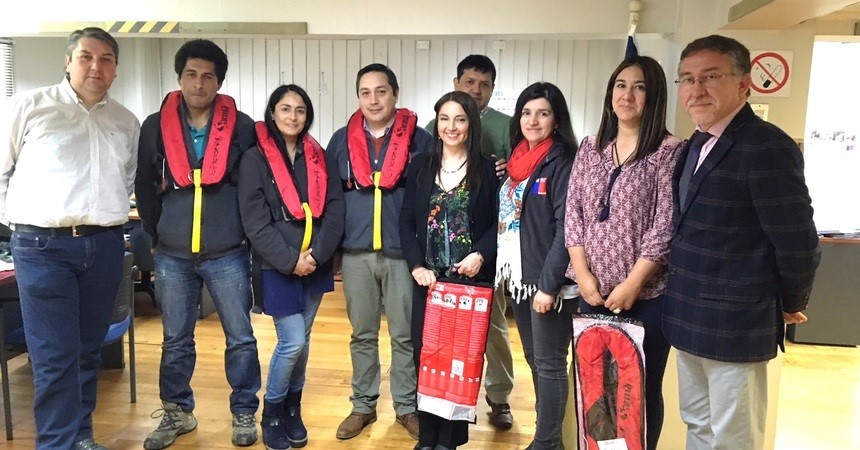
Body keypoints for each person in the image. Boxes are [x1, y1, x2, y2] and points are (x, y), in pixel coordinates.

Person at [664, 35, 820, 450]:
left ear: (743, 84)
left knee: (734, 436)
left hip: (737, 321)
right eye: (687, 79)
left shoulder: (767, 146)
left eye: (711, 77)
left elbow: (797, 241)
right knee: (696, 422)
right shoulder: (693, 143)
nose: (696, 89)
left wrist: (791, 302)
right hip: (688, 314)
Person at [0, 27, 139, 450]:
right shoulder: (28, 106)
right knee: (54, 358)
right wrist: (22, 225)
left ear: (115, 69)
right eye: (86, 57)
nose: (96, 66)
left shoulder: (126, 122)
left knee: (88, 350)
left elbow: (126, 180)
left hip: (105, 246)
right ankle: (56, 444)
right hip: (43, 248)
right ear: (67, 61)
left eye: (106, 59)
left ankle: (80, 436)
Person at [135, 39, 261, 450]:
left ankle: (244, 409)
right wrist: (154, 236)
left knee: (240, 336)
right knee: (175, 338)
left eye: (208, 76)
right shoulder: (155, 125)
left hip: (227, 250)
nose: (198, 83)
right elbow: (144, 185)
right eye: (191, 74)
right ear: (179, 77)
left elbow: (253, 185)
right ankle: (177, 412)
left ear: (219, 82)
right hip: (172, 252)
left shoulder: (241, 125)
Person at [564, 55, 682, 450]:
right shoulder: (590, 148)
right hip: (592, 293)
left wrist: (634, 284)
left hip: (647, 297)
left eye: (639, 86)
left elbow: (665, 225)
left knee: (639, 391)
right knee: (596, 387)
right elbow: (574, 217)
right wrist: (583, 276)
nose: (627, 95)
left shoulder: (669, 151)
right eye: (620, 85)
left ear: (655, 96)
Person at [327, 63, 433, 441]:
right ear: (358, 97)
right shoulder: (340, 140)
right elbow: (332, 198)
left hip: (403, 254)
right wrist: (332, 251)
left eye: (381, 91)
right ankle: (363, 405)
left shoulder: (420, 140)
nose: (373, 99)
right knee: (362, 333)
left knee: (405, 335)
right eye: (365, 92)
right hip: (356, 253)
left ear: (395, 94)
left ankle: (406, 406)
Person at [238, 84, 344, 450]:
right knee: (292, 340)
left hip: (316, 261)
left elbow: (334, 208)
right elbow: (254, 221)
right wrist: (289, 260)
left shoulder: (320, 156)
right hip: (276, 264)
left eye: (300, 110)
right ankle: (272, 412)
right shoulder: (254, 159)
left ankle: (293, 409)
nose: (293, 116)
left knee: (305, 340)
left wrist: (316, 255)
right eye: (285, 109)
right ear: (272, 113)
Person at [400, 91, 500, 450]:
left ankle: (451, 439)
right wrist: (416, 265)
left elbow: (497, 224)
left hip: (469, 282)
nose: (452, 126)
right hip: (429, 282)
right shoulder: (420, 166)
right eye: (445, 118)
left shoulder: (488, 169)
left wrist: (480, 255)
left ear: (471, 124)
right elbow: (407, 220)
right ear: (436, 123)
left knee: (462, 361)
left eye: (460, 119)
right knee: (426, 357)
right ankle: (427, 438)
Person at [424, 55, 515, 429]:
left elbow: (521, 172)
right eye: (470, 82)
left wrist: (508, 168)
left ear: (492, 88)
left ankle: (499, 396)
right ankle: (444, 399)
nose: (476, 90)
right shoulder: (435, 123)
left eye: (484, 84)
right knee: (442, 328)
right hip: (440, 250)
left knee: (491, 325)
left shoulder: (507, 125)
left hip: (488, 246)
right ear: (457, 81)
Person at [495, 82, 578, 450]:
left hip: (547, 282)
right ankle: (550, 439)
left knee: (549, 364)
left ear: (556, 120)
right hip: (519, 276)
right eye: (527, 112)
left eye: (543, 113)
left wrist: (548, 285)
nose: (533, 120)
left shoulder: (562, 161)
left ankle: (546, 443)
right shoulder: (516, 161)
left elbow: (566, 229)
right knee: (536, 359)